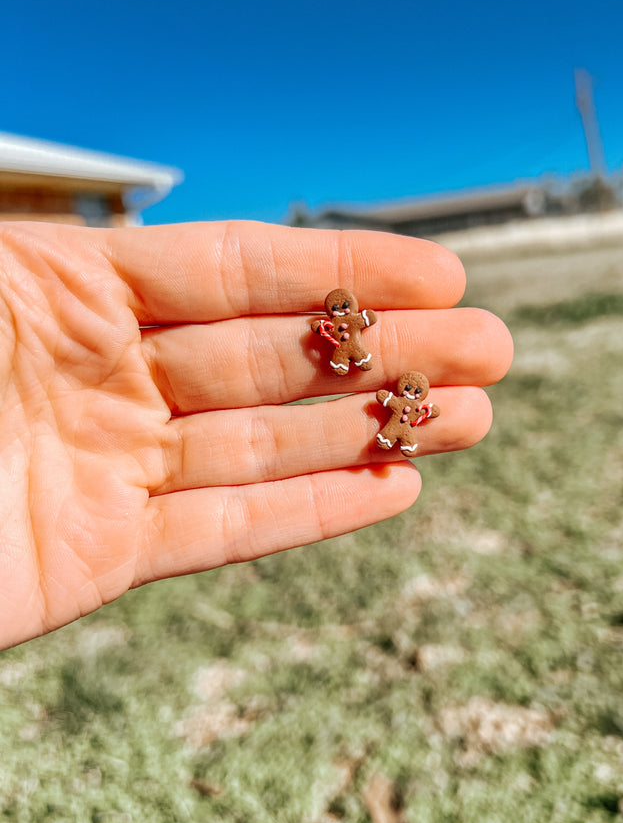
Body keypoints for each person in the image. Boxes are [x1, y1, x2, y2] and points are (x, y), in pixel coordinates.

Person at [0, 219, 513, 650]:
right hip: (355, 372)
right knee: (355, 375)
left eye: (340, 311)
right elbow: (355, 363)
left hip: (368, 371)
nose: (337, 314)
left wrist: (402, 395)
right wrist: (342, 345)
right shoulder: (332, 328)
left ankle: (392, 435)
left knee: (366, 375)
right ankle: (388, 438)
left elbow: (373, 326)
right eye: (334, 312)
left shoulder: (357, 321)